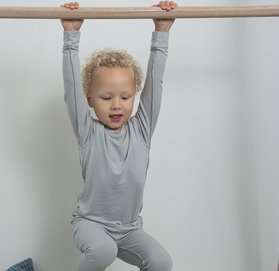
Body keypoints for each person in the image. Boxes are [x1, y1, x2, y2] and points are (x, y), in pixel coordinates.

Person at [60, 2, 178, 270]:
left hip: (129, 230)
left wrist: (161, 32)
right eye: (106, 97)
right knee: (103, 250)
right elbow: (71, 89)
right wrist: (70, 36)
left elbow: (155, 85)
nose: (116, 105)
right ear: (89, 100)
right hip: (90, 225)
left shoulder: (142, 129)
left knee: (161, 261)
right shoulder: (88, 132)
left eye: (125, 97)